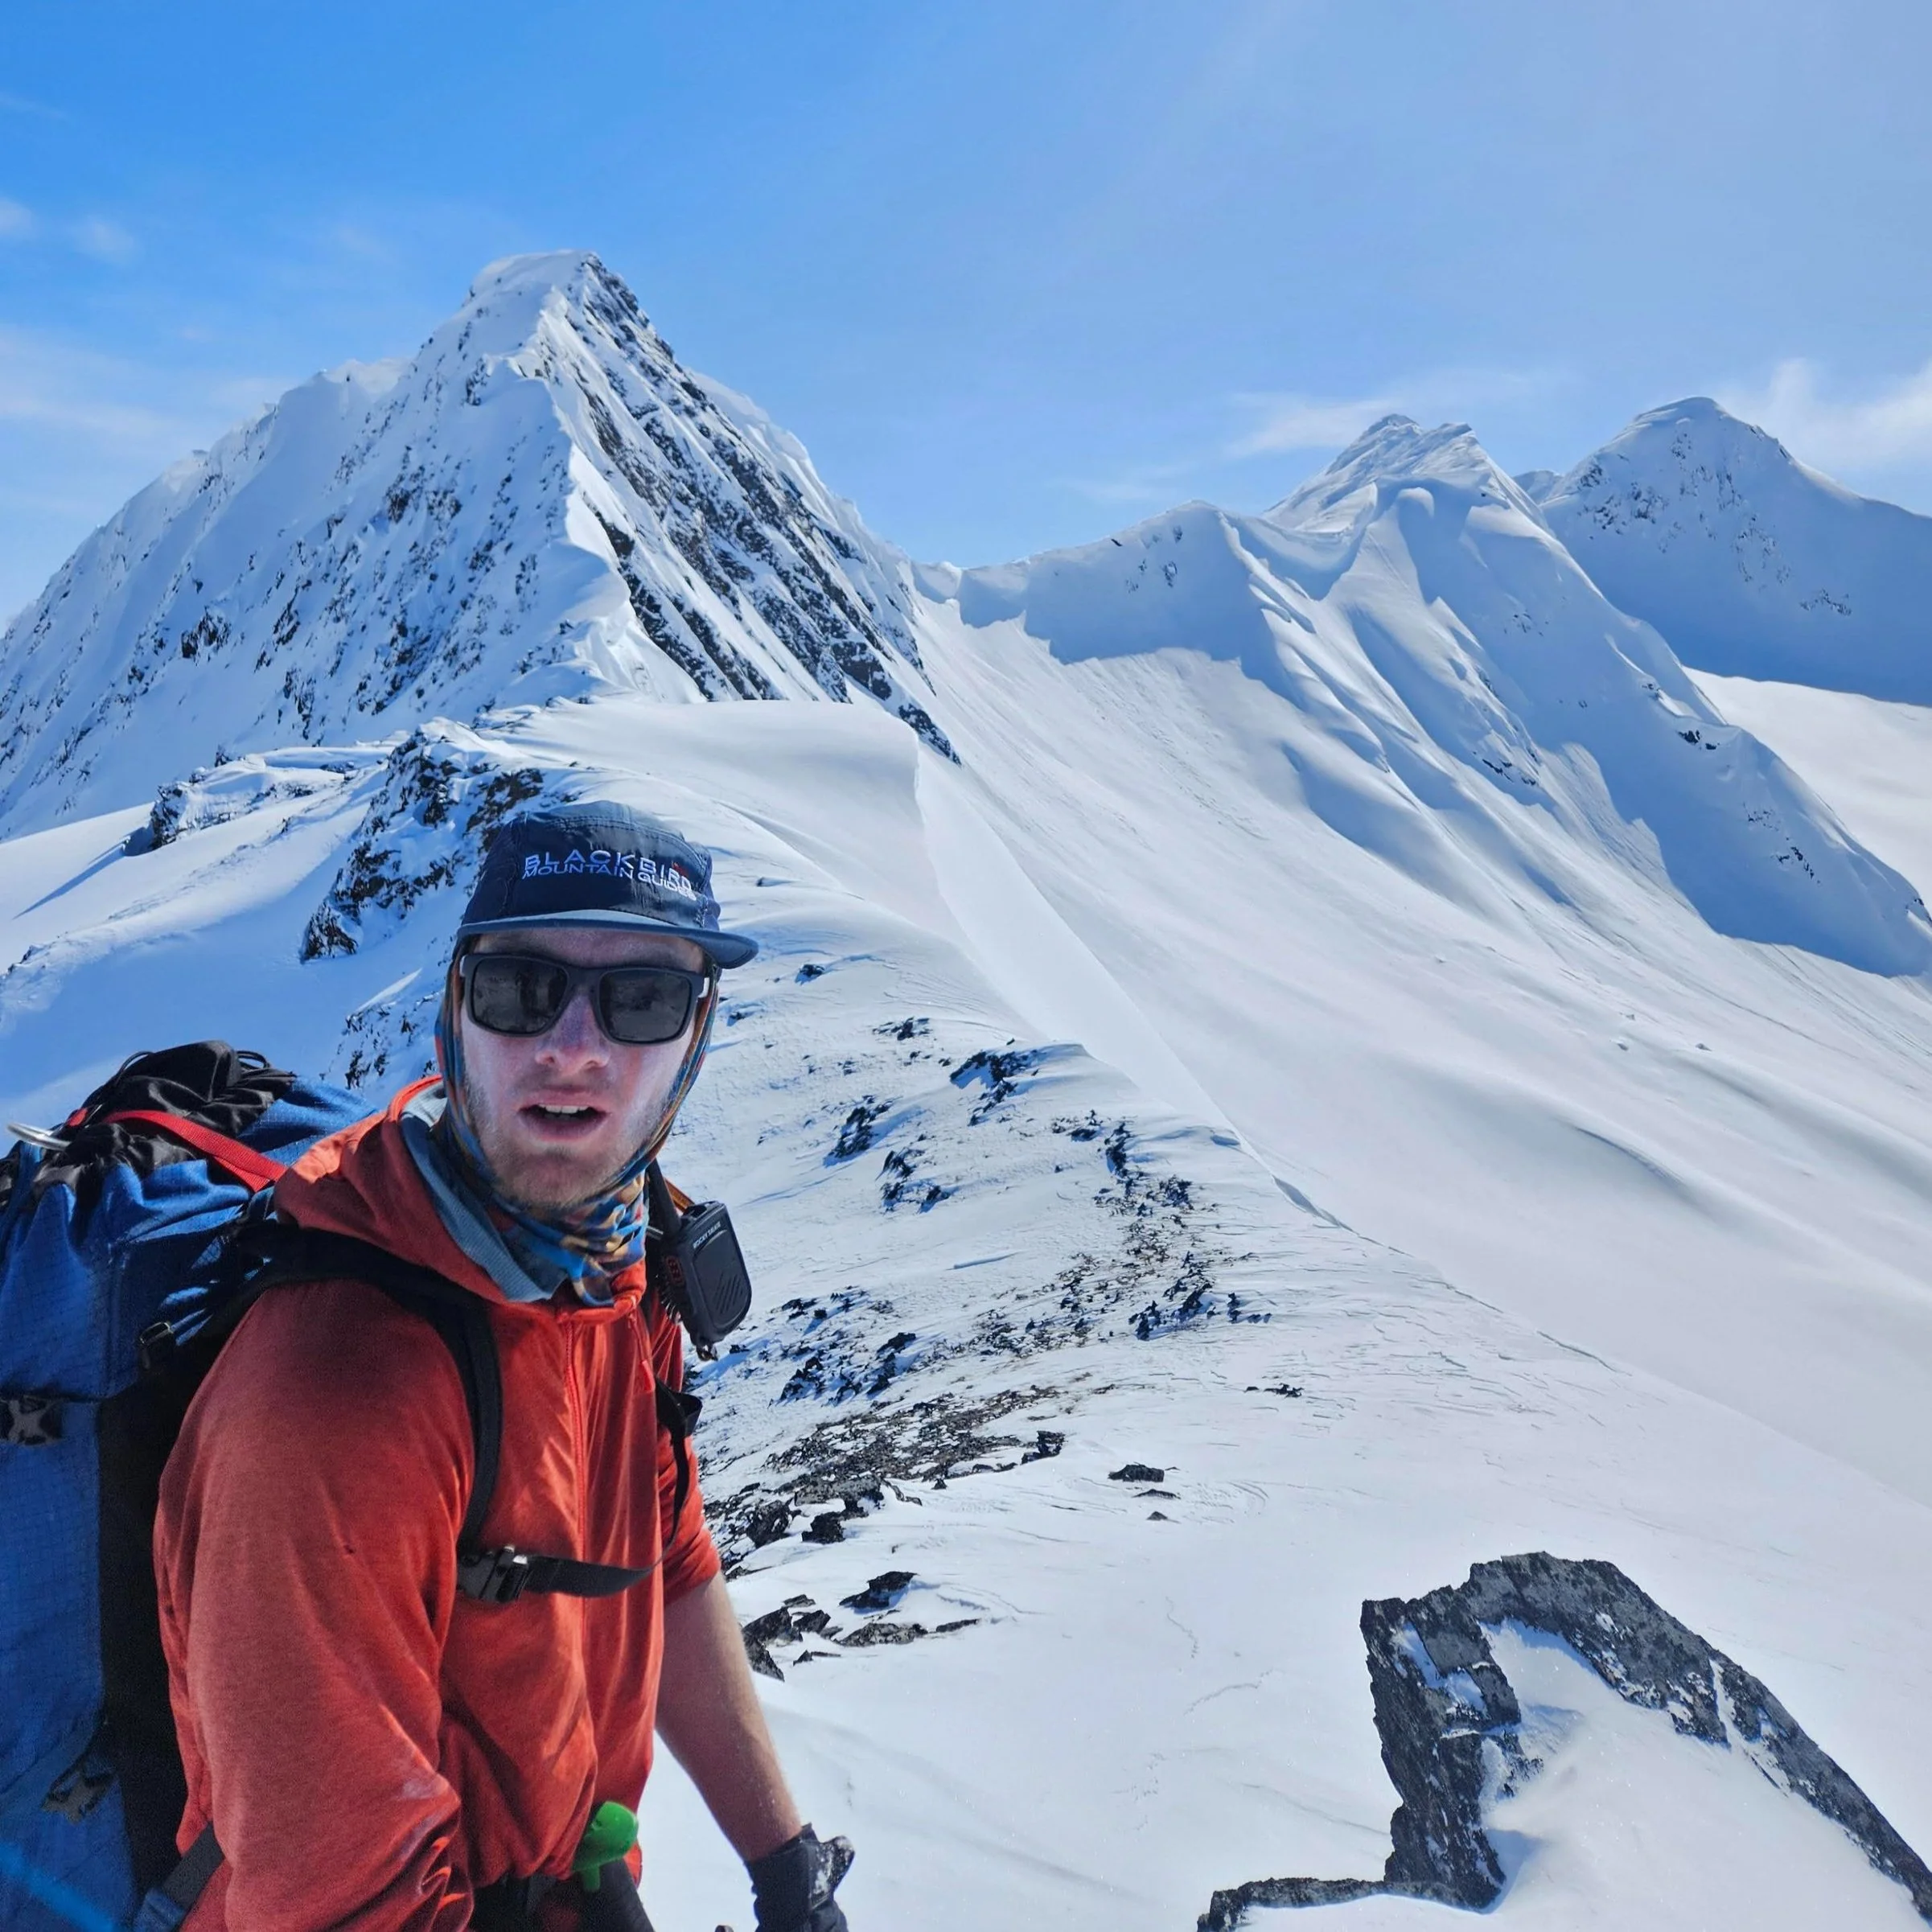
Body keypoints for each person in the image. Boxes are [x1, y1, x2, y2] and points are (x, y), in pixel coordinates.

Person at [154, 802, 853, 1930]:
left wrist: (783, 1861)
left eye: (640, 998)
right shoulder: (337, 1387)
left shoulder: (620, 1272)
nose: (573, 1045)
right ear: (454, 1013)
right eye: (522, 988)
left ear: (695, 1037)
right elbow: (336, 1899)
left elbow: (663, 1558)